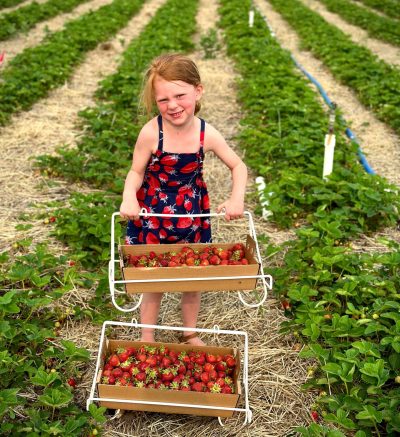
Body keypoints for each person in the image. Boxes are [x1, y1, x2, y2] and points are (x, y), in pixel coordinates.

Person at [119, 53, 247, 345]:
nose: (173, 105)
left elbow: (238, 166)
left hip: (191, 214)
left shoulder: (207, 134)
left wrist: (236, 198)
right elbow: (135, 171)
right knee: (154, 278)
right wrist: (129, 197)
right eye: (163, 100)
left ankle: (189, 333)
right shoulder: (151, 133)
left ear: (198, 91)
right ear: (155, 101)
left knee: (193, 277)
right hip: (154, 214)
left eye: (180, 95)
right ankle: (147, 337)